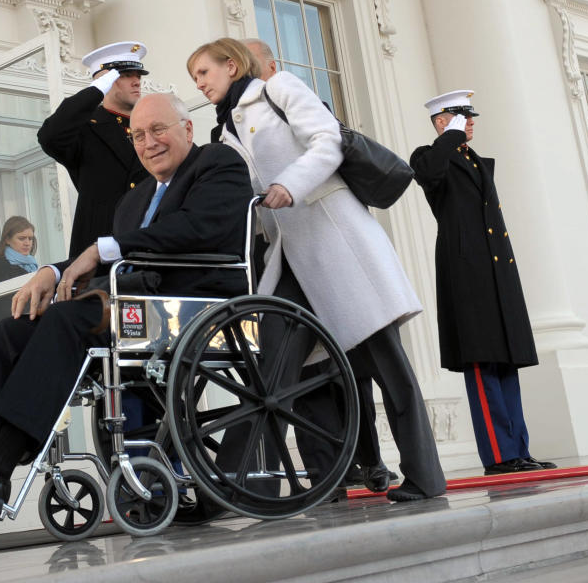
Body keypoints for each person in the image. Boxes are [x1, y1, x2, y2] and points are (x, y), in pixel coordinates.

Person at [0, 93, 253, 520]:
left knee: (66, 320)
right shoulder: (135, 200)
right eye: (139, 135)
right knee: (17, 326)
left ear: (187, 129)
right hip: (132, 307)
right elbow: (106, 257)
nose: (148, 143)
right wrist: (51, 271)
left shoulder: (217, 164)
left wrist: (102, 249)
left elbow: (196, 228)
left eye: (158, 130)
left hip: (196, 302)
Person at [187, 38, 446, 503]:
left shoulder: (277, 89)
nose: (200, 84)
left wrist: (291, 183)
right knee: (274, 377)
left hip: (338, 244)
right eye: (195, 78)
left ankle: (426, 477)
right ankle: (232, 486)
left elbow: (327, 140)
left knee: (390, 370)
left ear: (231, 65)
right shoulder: (223, 134)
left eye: (203, 72)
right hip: (289, 258)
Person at [243, 38, 397, 496]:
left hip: (332, 253)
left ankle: (369, 461)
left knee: (353, 371)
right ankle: (324, 472)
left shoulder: (293, 99)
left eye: (253, 65)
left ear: (272, 66)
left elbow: (325, 159)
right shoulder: (235, 124)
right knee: (306, 377)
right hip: (285, 257)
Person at [409, 90, 555, 475]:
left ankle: (518, 450)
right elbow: (428, 174)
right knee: (483, 364)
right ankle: (499, 455)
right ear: (441, 121)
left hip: (495, 275)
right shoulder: (429, 156)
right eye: (460, 115)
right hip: (468, 277)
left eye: (469, 116)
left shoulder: (474, 161)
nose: (470, 121)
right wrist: (450, 138)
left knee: (506, 364)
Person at [37, 41, 150, 260]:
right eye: (126, 75)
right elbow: (50, 136)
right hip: (101, 251)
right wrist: (96, 90)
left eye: (138, 75)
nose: (137, 81)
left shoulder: (150, 128)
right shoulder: (86, 129)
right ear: (104, 79)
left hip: (147, 245)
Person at [0, 216, 38, 285]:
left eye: (30, 238)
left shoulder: (33, 265)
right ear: (7, 240)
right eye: (22, 238)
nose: (27, 243)